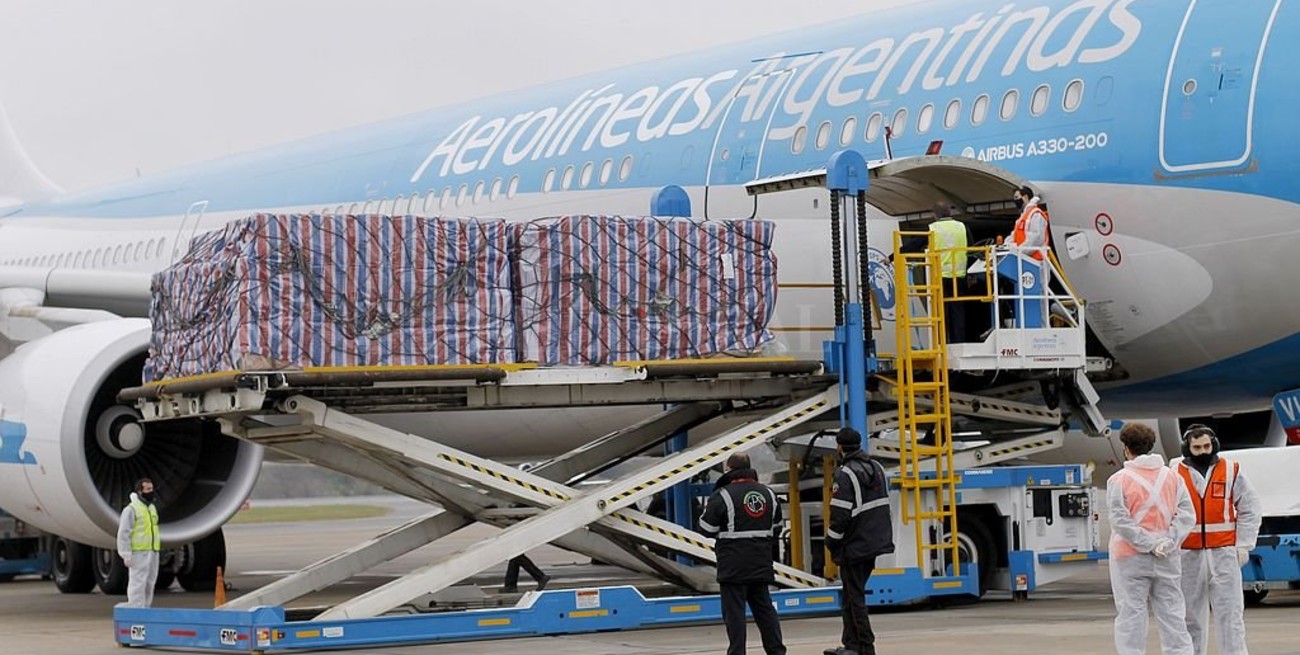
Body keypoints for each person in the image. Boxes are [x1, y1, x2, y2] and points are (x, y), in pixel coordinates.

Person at [1106, 423, 1195, 655]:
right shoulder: (1173, 477)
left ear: (1126, 448)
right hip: (1167, 555)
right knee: (1173, 613)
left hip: (1129, 557)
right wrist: (1168, 541)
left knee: (1131, 616)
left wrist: (1148, 544)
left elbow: (1119, 521)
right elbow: (1187, 515)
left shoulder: (1119, 480)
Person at [1174, 424, 1262, 655]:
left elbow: (1250, 507)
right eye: (1197, 447)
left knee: (1231, 616)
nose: (1203, 451)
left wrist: (1244, 544)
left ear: (1214, 444)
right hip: (1188, 555)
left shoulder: (1231, 470)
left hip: (1223, 554)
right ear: (1187, 448)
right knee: (1189, 617)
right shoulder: (1175, 473)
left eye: (1206, 445)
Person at [698, 452, 786, 655]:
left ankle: (737, 652)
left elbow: (705, 528)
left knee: (735, 615)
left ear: (729, 470)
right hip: (761, 562)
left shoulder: (723, 495)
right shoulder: (769, 494)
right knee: (765, 611)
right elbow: (777, 528)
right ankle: (777, 652)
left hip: (733, 565)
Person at [825, 427, 893, 655]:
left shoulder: (846, 473)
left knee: (854, 598)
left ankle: (864, 647)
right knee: (852, 594)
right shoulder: (877, 468)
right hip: (874, 542)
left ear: (840, 447)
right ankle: (851, 645)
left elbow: (840, 515)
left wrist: (831, 541)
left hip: (855, 544)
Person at [895, 201, 972, 343]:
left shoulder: (933, 229)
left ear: (934, 215)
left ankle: (941, 343)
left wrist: (892, 256)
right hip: (959, 276)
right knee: (958, 310)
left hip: (939, 277)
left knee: (940, 311)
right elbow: (971, 250)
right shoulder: (962, 227)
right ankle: (959, 343)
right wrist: (970, 274)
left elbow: (913, 244)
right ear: (950, 212)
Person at [116, 477, 161, 608]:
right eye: (148, 489)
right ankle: (136, 608)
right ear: (140, 491)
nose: (151, 492)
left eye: (152, 489)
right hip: (138, 553)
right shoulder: (131, 509)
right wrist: (125, 553)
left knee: (150, 582)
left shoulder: (152, 508)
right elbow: (124, 532)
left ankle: (146, 608)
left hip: (152, 551)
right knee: (138, 583)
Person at [1009, 185, 1050, 260]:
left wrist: (1019, 251)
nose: (1015, 201)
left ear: (1025, 197)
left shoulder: (1036, 214)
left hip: (1036, 261)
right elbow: (1013, 236)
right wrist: (1006, 247)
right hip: (1024, 260)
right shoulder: (1021, 218)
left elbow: (1036, 238)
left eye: (1016, 197)